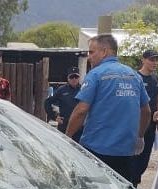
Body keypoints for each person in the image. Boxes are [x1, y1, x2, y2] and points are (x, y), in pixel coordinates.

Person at [63, 34, 150, 180]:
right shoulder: (134, 76)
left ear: (104, 52)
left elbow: (81, 110)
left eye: (92, 52)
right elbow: (146, 111)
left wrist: (67, 137)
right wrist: (140, 136)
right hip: (125, 152)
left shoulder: (96, 74)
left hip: (97, 150)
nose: (89, 57)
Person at [128, 49, 158, 186]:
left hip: (151, 124)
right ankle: (131, 182)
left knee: (144, 157)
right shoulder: (135, 77)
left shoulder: (156, 79)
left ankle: (136, 181)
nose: (154, 63)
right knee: (133, 155)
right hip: (137, 123)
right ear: (143, 60)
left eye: (156, 60)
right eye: (151, 60)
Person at [45, 70, 83, 137]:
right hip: (64, 124)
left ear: (79, 78)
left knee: (79, 147)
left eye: (76, 77)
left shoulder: (84, 90)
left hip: (79, 125)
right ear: (68, 78)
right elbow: (47, 102)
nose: (74, 79)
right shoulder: (62, 90)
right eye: (71, 77)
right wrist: (54, 117)